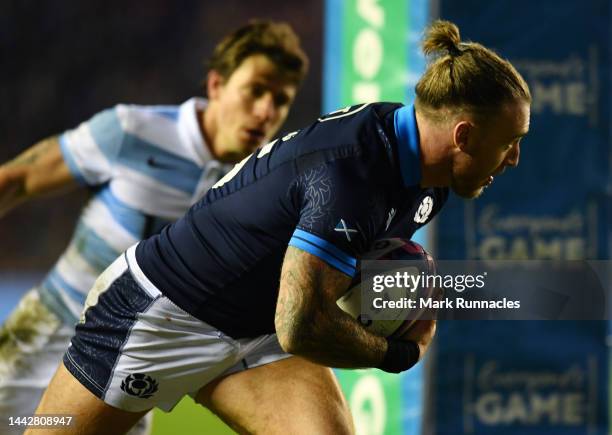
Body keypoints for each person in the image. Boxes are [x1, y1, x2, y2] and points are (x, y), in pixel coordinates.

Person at [30, 20, 531, 435]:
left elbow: (343, 273)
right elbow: (302, 324)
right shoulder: (354, 170)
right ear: (463, 135)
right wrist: (394, 351)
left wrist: (404, 294)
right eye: (510, 140)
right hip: (162, 313)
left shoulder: (430, 170)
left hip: (259, 328)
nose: (513, 158)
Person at [0, 20, 308, 435]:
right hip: (47, 335)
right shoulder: (133, 132)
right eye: (255, 90)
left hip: (129, 357)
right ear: (216, 85)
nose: (265, 111)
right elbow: (19, 178)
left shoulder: (262, 181)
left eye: (281, 100)